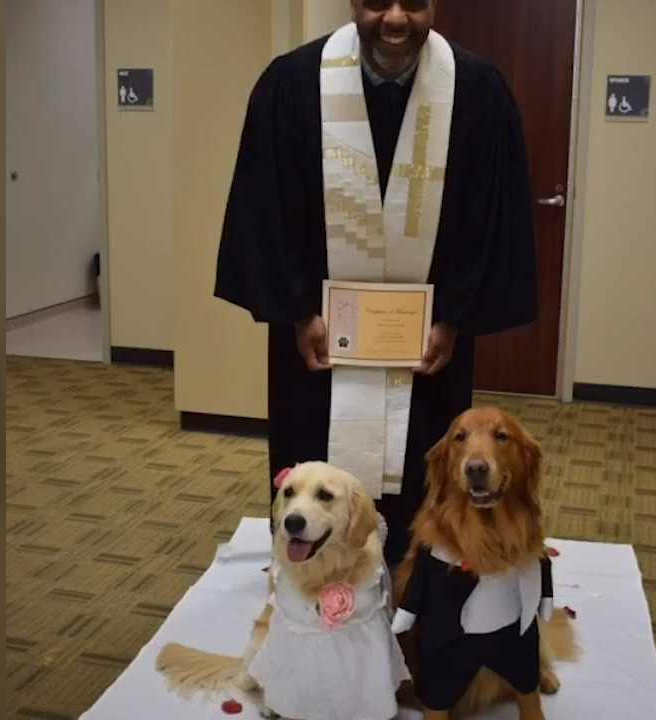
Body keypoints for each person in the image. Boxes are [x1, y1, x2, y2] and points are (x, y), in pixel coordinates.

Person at [214, 0, 537, 567]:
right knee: (315, 470)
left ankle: (417, 585)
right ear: (352, 4)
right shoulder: (293, 84)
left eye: (412, 2)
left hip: (428, 345)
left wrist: (454, 317)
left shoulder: (477, 91)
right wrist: (297, 309)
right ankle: (313, 583)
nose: (394, 18)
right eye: (376, 2)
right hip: (316, 340)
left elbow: (490, 215)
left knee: (426, 465)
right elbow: (266, 206)